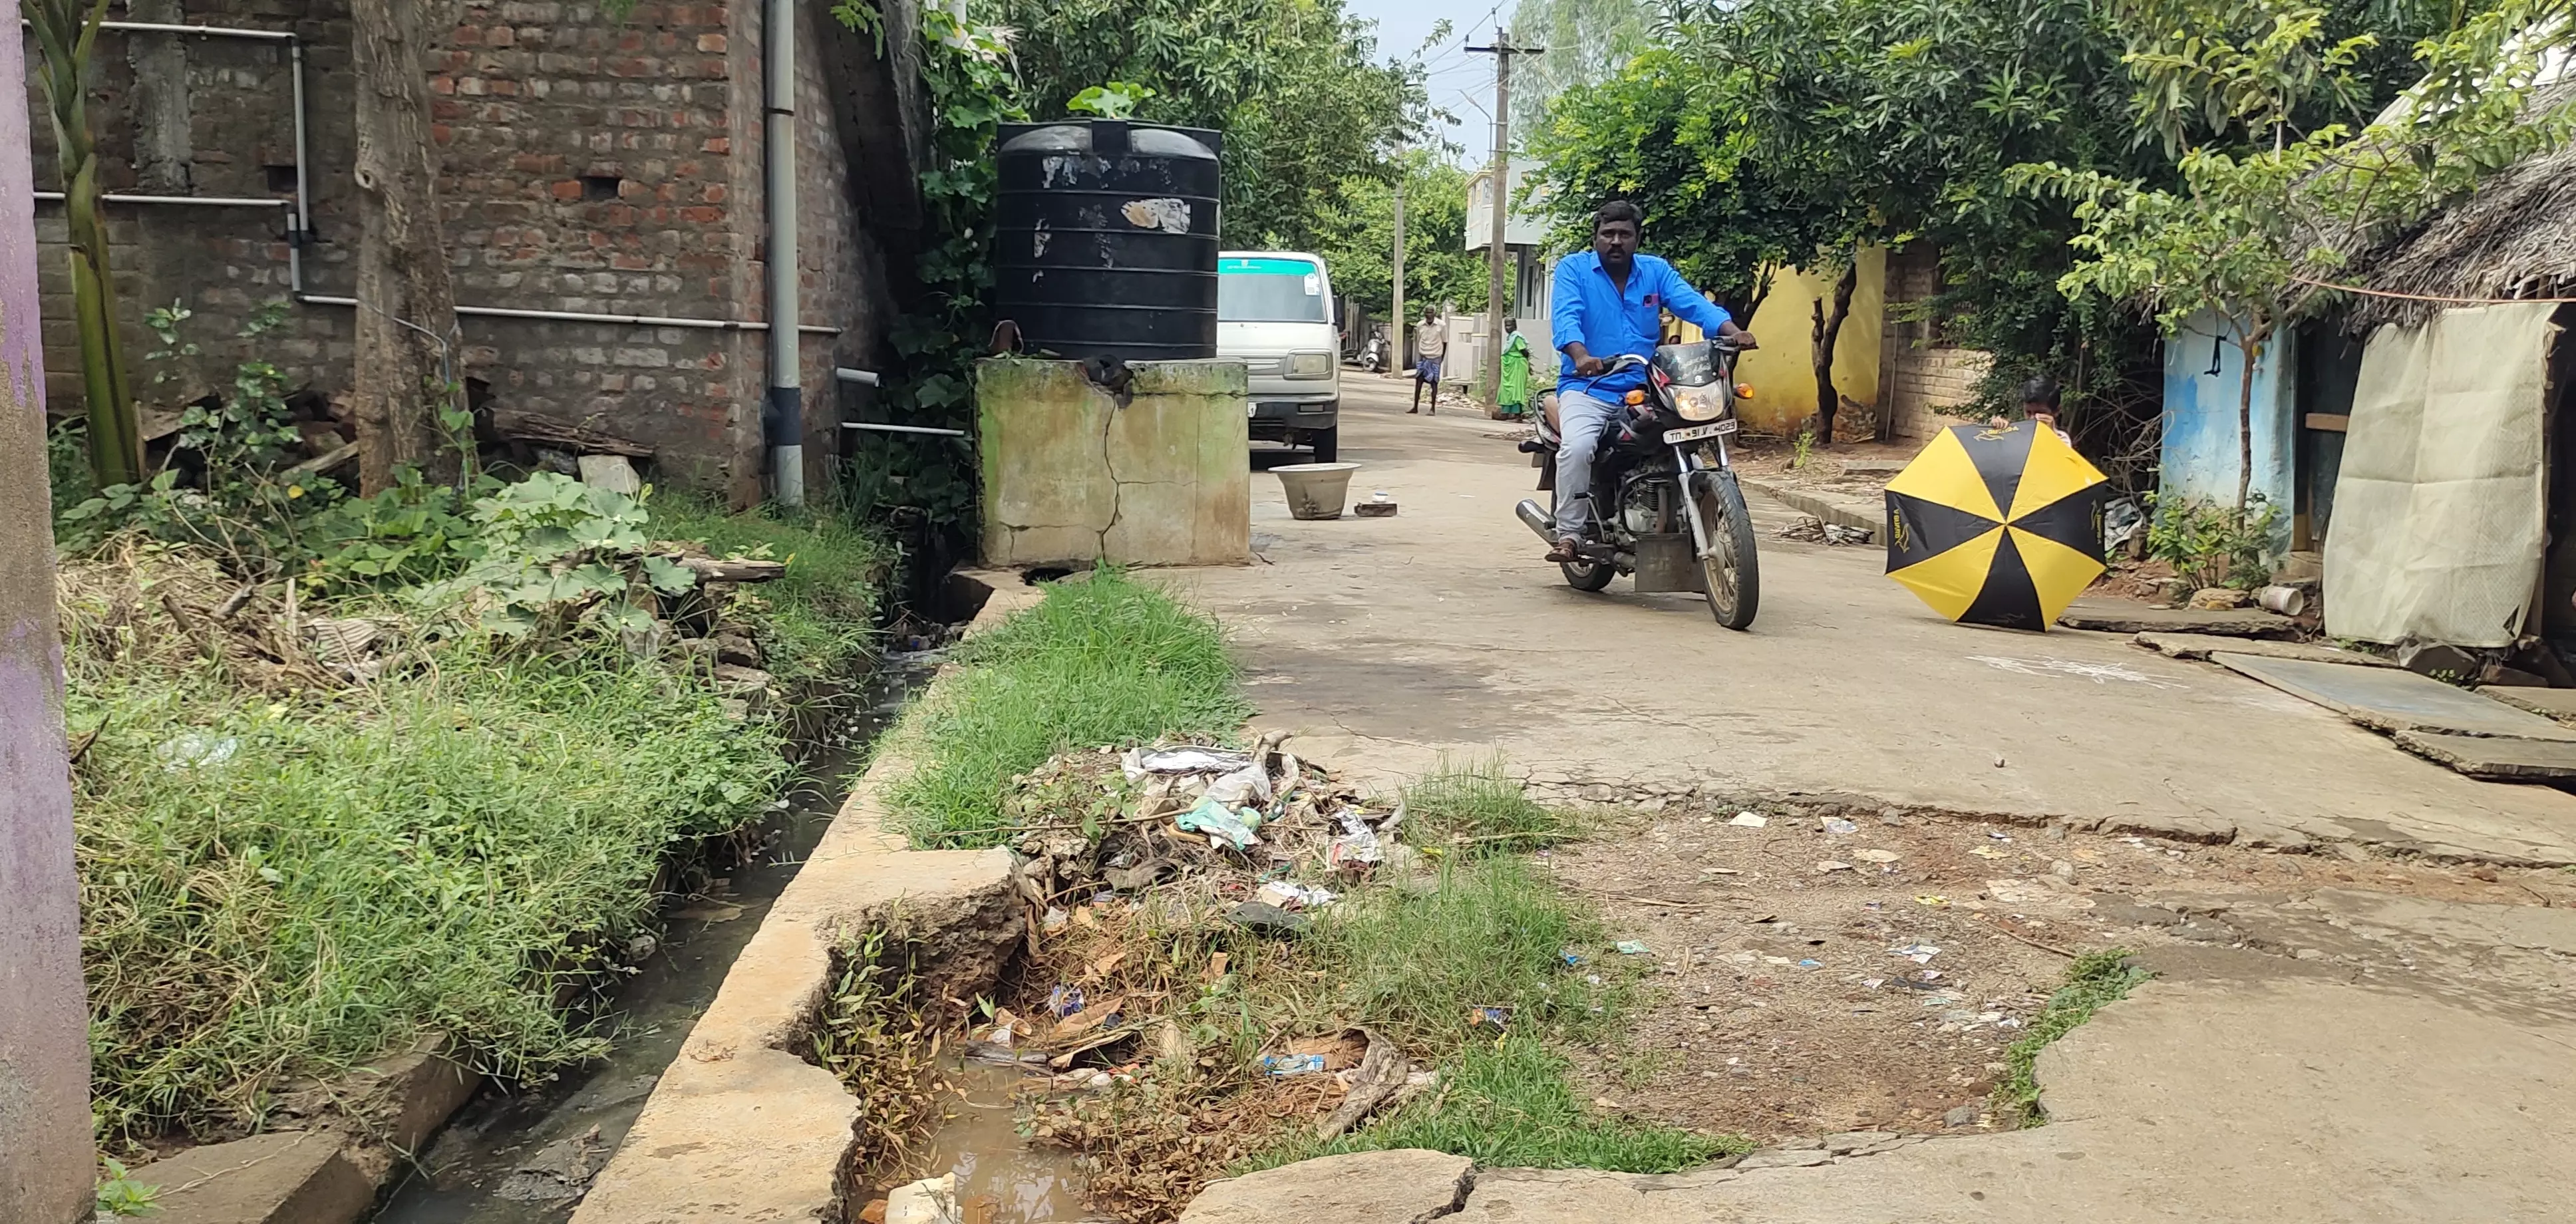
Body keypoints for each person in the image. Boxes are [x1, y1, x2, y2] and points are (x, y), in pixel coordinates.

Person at [1544, 200, 1758, 562]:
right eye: (1607, 234)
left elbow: (1693, 305)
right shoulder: (1574, 270)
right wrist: (1581, 357)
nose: (1615, 241)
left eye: (1624, 235)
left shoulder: (1655, 272)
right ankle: (1571, 532)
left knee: (1687, 435)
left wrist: (1734, 331)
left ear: (1637, 238)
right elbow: (1567, 317)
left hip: (1647, 387)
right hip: (1589, 387)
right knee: (1579, 448)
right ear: (1595, 237)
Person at [1991, 376, 2072, 446]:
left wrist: (2050, 435)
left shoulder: (2061, 439)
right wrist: (1999, 430)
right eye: (2028, 412)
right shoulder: (2015, 434)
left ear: (2056, 411)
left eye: (2040, 413)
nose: (2032, 418)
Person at [1410, 309, 1446, 414]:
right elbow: (1419, 340)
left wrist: (1442, 358)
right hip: (1423, 356)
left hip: (1435, 356)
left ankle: (1433, 409)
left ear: (1435, 314)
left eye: (1431, 313)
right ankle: (1415, 407)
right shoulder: (1420, 325)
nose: (1429, 315)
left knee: (1434, 383)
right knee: (1419, 381)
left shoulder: (1441, 325)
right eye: (1427, 313)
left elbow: (1445, 342)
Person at [1498, 318, 1531, 420]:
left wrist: (1528, 363)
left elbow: (1524, 351)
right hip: (1509, 366)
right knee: (1506, 389)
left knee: (1516, 389)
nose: (1508, 328)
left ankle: (1517, 413)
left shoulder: (1517, 337)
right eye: (1506, 326)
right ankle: (1506, 412)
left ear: (1515, 326)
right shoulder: (1510, 338)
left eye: (1510, 326)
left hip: (1517, 365)